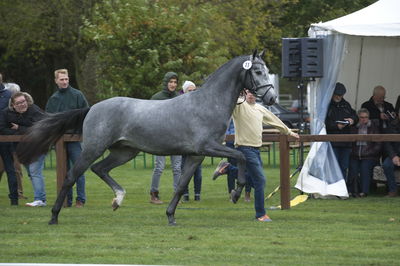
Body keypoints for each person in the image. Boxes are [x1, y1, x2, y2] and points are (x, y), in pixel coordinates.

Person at [214, 90, 299, 222]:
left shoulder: (260, 108)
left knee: (254, 181)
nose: (251, 95)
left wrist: (288, 132)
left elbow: (274, 120)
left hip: (256, 149)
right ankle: (260, 214)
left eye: (253, 92)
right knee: (260, 181)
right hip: (244, 148)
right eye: (249, 92)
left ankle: (228, 169)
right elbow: (229, 95)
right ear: (245, 94)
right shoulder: (239, 105)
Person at [46, 69, 89, 207]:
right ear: (56, 81)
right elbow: (49, 120)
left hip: (75, 139)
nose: (64, 82)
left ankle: (80, 199)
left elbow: (87, 114)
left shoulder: (77, 95)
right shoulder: (53, 99)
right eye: (61, 79)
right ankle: (67, 200)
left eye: (66, 79)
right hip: (59, 140)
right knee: (63, 171)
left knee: (78, 169)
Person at [0, 92, 47, 206]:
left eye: (23, 101)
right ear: (13, 105)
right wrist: (19, 131)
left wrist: (19, 128)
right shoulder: (6, 113)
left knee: (35, 171)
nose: (22, 104)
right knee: (32, 173)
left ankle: (39, 199)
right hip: (22, 150)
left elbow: (41, 127)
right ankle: (41, 198)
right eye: (19, 103)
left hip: (39, 145)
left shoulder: (35, 110)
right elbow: (2, 128)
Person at [149, 72, 182, 204]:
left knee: (177, 168)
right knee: (159, 167)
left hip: (177, 138)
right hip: (160, 138)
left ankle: (176, 195)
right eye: (171, 82)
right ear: (166, 82)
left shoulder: (180, 98)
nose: (173, 84)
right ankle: (154, 194)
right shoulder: (156, 98)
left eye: (175, 82)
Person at [214, 119, 253, 202]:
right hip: (230, 140)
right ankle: (231, 193)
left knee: (246, 169)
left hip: (243, 141)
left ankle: (247, 194)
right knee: (231, 168)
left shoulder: (243, 109)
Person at [325, 82, 358, 179]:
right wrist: (336, 126)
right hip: (333, 142)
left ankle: (342, 188)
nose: (339, 97)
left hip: (345, 142)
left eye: (341, 95)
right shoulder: (327, 105)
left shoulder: (346, 104)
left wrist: (352, 120)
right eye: (337, 94)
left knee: (344, 166)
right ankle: (333, 188)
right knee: (333, 167)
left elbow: (355, 116)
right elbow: (322, 122)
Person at [0, 82, 27, 200]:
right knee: (12, 168)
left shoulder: (8, 96)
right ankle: (16, 196)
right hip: (7, 136)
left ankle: (16, 195)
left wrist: (16, 131)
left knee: (14, 168)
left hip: (8, 138)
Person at [347, 108, 381, 197]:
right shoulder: (353, 127)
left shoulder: (374, 127)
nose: (364, 119)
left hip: (369, 156)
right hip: (355, 155)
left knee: (364, 168)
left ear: (369, 118)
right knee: (353, 169)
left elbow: (378, 144)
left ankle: (364, 191)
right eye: (361, 117)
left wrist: (371, 152)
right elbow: (349, 141)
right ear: (358, 117)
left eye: (366, 117)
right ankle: (350, 190)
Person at [180, 81, 202, 202]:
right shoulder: (179, 105)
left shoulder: (199, 106)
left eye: (194, 90)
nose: (193, 93)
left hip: (197, 144)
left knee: (197, 171)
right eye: (190, 90)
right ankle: (185, 194)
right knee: (185, 171)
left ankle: (197, 194)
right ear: (184, 91)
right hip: (184, 144)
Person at [0, 73, 19, 205]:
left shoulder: (9, 95)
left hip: (5, 135)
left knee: (10, 168)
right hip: (5, 133)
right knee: (10, 168)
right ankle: (14, 199)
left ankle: (14, 198)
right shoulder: (8, 95)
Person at [382, 108, 400, 197]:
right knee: (386, 164)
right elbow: (387, 143)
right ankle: (393, 190)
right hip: (395, 154)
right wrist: (393, 156)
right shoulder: (392, 125)